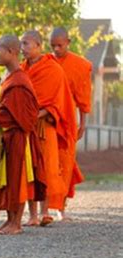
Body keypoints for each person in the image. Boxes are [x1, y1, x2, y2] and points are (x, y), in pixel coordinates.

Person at [0, 35, 46, 235]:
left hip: (19, 137)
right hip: (7, 137)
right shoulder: (8, 78)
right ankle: (9, 220)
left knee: (16, 178)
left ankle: (17, 223)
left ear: (11, 52)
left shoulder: (20, 79)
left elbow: (8, 113)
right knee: (6, 179)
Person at [20, 30, 74, 226]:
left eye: (26, 44)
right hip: (26, 126)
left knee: (47, 167)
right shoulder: (20, 70)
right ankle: (32, 215)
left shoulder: (53, 69)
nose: (22, 48)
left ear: (38, 45)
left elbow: (57, 102)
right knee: (28, 169)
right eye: (21, 44)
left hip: (44, 125)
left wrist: (38, 115)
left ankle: (45, 212)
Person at [50, 27, 91, 220]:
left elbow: (83, 98)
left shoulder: (80, 66)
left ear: (68, 42)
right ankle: (44, 207)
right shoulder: (45, 64)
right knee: (48, 162)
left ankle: (61, 207)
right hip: (47, 122)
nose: (56, 49)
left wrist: (82, 124)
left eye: (60, 45)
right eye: (53, 46)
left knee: (65, 163)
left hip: (68, 122)